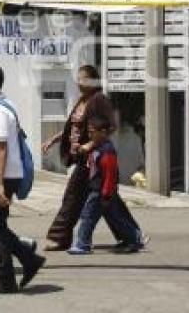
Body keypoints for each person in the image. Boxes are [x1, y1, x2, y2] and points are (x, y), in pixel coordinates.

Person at [42, 65, 143, 251]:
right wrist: (54, 139)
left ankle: (62, 237)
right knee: (107, 200)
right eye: (79, 78)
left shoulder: (99, 100)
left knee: (78, 197)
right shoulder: (82, 101)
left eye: (85, 78)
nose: (80, 82)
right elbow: (72, 128)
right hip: (82, 157)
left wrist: (90, 145)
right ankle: (132, 234)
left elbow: (110, 126)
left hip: (95, 158)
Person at [0, 61, 46, 294]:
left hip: (1, 175)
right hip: (0, 174)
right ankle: (16, 268)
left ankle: (20, 264)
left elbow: (2, 148)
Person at [68, 116, 143, 255]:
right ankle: (133, 238)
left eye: (92, 132)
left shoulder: (107, 150)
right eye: (89, 132)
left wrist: (106, 193)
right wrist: (80, 150)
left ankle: (82, 244)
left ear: (102, 132)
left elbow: (110, 174)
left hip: (101, 191)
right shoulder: (96, 147)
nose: (90, 135)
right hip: (99, 189)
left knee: (88, 215)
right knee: (116, 217)